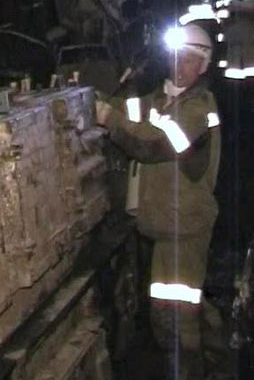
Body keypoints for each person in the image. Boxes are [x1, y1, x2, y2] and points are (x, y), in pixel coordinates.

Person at [96, 23, 221, 379]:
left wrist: (110, 120)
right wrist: (93, 100)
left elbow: (152, 144)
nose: (180, 65)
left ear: (203, 66)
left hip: (186, 227)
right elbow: (129, 109)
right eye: (176, 57)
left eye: (190, 60)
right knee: (170, 310)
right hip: (166, 225)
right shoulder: (160, 99)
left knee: (180, 317)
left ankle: (202, 367)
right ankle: (211, 353)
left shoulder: (199, 109)